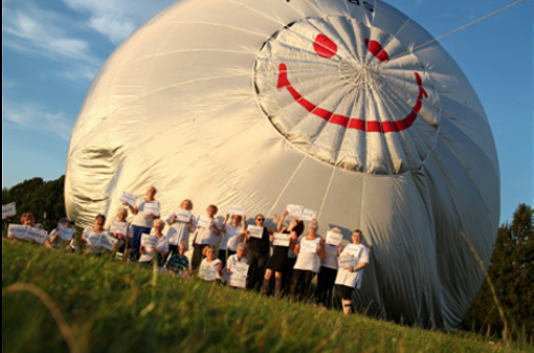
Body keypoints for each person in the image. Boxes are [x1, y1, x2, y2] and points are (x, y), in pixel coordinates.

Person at [262, 210, 304, 297]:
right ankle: (263, 293)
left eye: (295, 221)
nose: (292, 220)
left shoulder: (294, 234)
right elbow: (278, 233)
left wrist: (290, 243)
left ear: (296, 225)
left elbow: (292, 248)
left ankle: (276, 296)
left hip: (282, 255)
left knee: (277, 276)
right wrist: (275, 238)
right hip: (275, 253)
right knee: (267, 274)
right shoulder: (285, 228)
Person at [335, 229, 369, 315]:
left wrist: (354, 269)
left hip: (353, 274)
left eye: (358, 236)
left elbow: (365, 262)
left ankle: (347, 314)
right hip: (343, 273)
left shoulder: (363, 248)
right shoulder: (348, 246)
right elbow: (342, 258)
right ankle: (345, 312)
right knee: (343, 292)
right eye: (354, 236)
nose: (356, 238)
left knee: (347, 292)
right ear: (352, 237)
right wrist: (339, 251)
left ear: (361, 238)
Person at [290, 221, 326, 300]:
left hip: (311, 265)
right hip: (300, 264)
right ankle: (292, 298)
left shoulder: (319, 241)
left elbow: (323, 255)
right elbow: (297, 253)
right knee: (295, 282)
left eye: (315, 228)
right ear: (308, 229)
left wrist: (320, 250)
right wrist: (296, 248)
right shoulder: (302, 239)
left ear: (316, 230)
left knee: (306, 284)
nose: (313, 229)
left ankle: (303, 300)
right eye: (311, 228)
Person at [123, 186, 160, 261]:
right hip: (135, 224)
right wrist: (130, 205)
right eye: (150, 190)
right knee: (132, 243)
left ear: (155, 193)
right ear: (147, 192)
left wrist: (153, 216)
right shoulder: (140, 200)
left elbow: (158, 216)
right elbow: (135, 212)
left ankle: (135, 260)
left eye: (153, 191)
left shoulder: (156, 203)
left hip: (146, 226)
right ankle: (130, 260)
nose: (151, 191)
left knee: (139, 244)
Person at [244, 214, 275, 290]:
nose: (261, 221)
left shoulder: (266, 229)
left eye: (262, 219)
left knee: (259, 271)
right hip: (251, 252)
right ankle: (245, 286)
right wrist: (247, 236)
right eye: (259, 219)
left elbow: (277, 233)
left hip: (263, 254)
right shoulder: (251, 229)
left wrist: (275, 237)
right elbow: (245, 242)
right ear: (255, 220)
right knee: (248, 269)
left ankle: (255, 288)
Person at [315, 228, 343, 307]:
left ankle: (326, 303)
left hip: (333, 269)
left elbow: (341, 259)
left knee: (329, 287)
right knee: (321, 285)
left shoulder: (340, 246)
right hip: (323, 267)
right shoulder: (325, 243)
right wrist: (322, 243)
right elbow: (319, 253)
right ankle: (317, 301)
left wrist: (340, 250)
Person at [191, 204, 221, 270]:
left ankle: (205, 275)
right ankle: (194, 273)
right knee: (196, 259)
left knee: (206, 260)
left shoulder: (216, 221)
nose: (211, 212)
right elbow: (194, 228)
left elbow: (219, 233)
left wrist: (214, 226)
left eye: (213, 211)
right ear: (207, 210)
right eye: (209, 210)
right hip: (199, 241)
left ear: (215, 212)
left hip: (209, 244)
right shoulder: (201, 219)